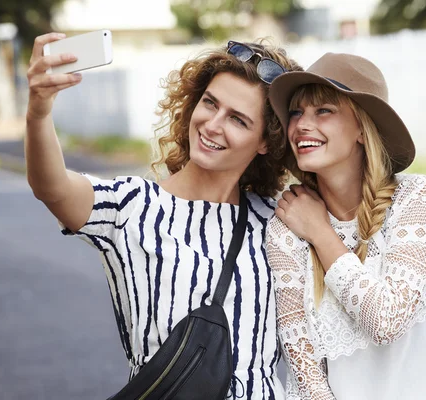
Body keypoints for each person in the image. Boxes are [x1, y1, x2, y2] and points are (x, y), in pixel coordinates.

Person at [25, 33, 302, 398]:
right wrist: (38, 111)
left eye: (237, 119)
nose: (213, 124)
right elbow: (53, 188)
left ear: (267, 141)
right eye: (210, 103)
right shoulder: (132, 207)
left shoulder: (280, 220)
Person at [265, 53, 426, 399]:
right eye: (297, 112)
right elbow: (304, 369)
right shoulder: (286, 226)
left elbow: (386, 320)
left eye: (324, 111)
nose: (301, 124)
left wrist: (321, 233)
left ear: (362, 128)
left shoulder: (417, 199)